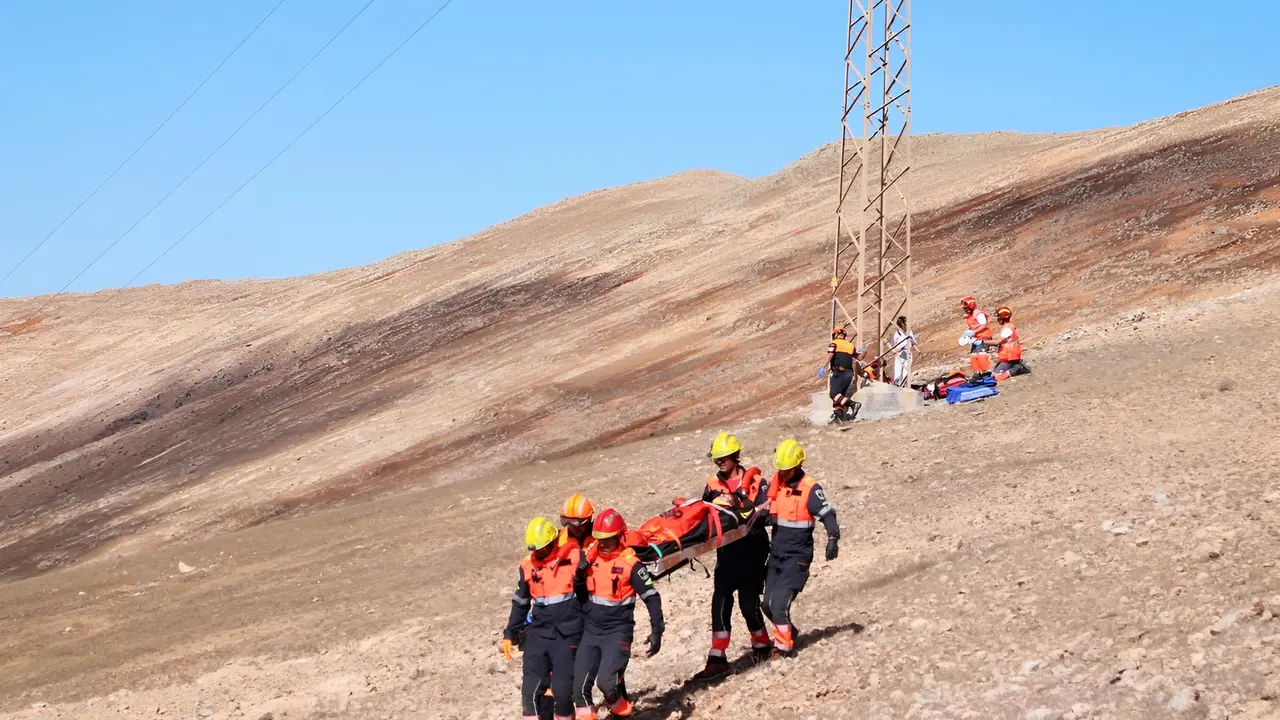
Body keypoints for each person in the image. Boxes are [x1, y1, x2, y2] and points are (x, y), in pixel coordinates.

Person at [691, 433, 773, 679]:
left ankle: (762, 645)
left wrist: (738, 505)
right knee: (721, 601)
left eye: (724, 458)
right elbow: (705, 516)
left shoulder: (758, 482)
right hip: (727, 551)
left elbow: (766, 513)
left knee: (748, 602)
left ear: (736, 456)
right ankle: (717, 658)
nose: (720, 462)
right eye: (717, 459)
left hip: (753, 549)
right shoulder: (712, 485)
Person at [572, 509, 664, 719]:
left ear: (619, 537)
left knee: (607, 683)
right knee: (579, 689)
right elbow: (581, 596)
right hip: (591, 632)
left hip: (617, 632)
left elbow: (652, 597)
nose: (603, 545)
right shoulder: (590, 561)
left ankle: (624, 713)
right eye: (599, 540)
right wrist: (579, 576)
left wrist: (657, 629)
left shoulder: (631, 565)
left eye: (608, 540)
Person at [503, 517, 588, 720]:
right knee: (530, 693)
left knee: (563, 692)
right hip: (538, 635)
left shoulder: (576, 558)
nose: (538, 554)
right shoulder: (527, 566)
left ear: (552, 543)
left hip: (568, 634)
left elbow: (592, 595)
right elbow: (521, 602)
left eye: (542, 549)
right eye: (535, 551)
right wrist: (510, 634)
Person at [762, 439, 840, 659]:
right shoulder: (777, 486)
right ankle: (788, 632)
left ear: (797, 466)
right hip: (776, 555)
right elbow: (770, 510)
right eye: (780, 470)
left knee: (779, 605)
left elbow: (827, 514)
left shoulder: (810, 489)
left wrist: (833, 537)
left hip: (796, 558)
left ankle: (783, 650)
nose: (783, 474)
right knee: (766, 605)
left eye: (787, 470)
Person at [984, 305, 1031, 381]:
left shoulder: (1008, 329)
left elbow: (998, 342)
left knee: (996, 377)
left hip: (1010, 358)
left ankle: (1017, 368)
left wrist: (983, 342)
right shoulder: (1007, 327)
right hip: (1006, 358)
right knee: (991, 373)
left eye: (998, 317)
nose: (997, 319)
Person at [826, 327, 858, 423]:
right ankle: (839, 417)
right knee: (839, 396)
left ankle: (852, 404)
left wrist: (823, 366)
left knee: (833, 394)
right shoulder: (850, 345)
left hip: (839, 372)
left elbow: (830, 355)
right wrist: (863, 352)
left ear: (835, 334)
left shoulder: (834, 343)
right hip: (849, 374)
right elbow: (859, 357)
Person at [960, 296, 994, 374]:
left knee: (981, 354)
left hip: (984, 337)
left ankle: (986, 372)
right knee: (974, 355)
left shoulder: (978, 314)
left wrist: (974, 332)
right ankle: (977, 373)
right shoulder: (970, 315)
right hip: (976, 339)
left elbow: (984, 324)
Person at [891, 316, 918, 388]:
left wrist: (917, 349)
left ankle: (905, 387)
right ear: (902, 324)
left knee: (906, 373)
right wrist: (896, 350)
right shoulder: (896, 334)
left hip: (907, 354)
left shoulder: (909, 332)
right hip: (899, 354)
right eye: (905, 322)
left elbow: (913, 343)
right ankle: (896, 386)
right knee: (897, 373)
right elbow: (893, 345)